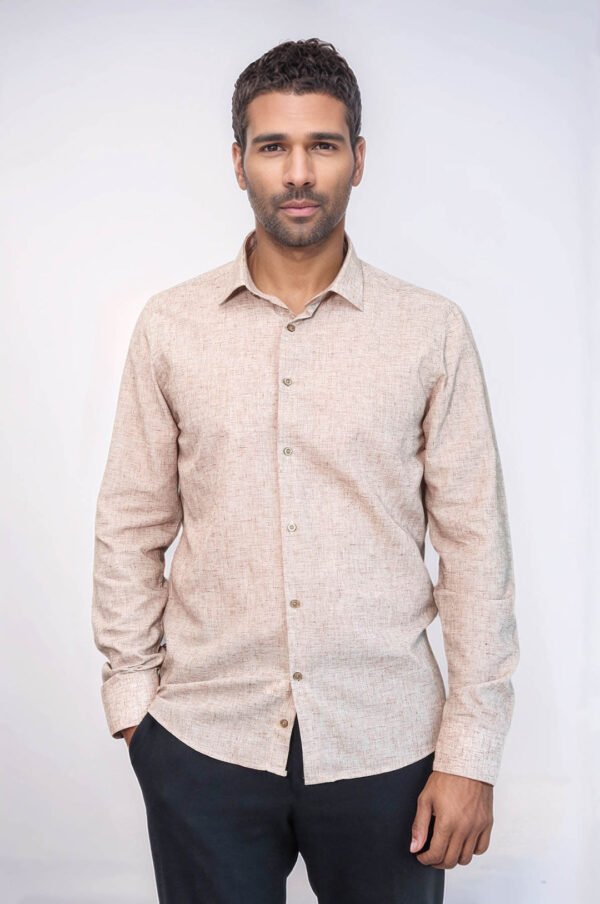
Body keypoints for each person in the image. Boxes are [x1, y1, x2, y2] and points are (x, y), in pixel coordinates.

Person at [92, 37, 519, 904]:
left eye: (322, 145)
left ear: (358, 159)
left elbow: (476, 551)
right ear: (238, 163)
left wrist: (470, 755)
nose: (297, 172)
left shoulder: (430, 331)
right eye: (273, 146)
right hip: (205, 743)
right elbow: (130, 524)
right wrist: (136, 711)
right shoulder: (172, 327)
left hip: (388, 747)